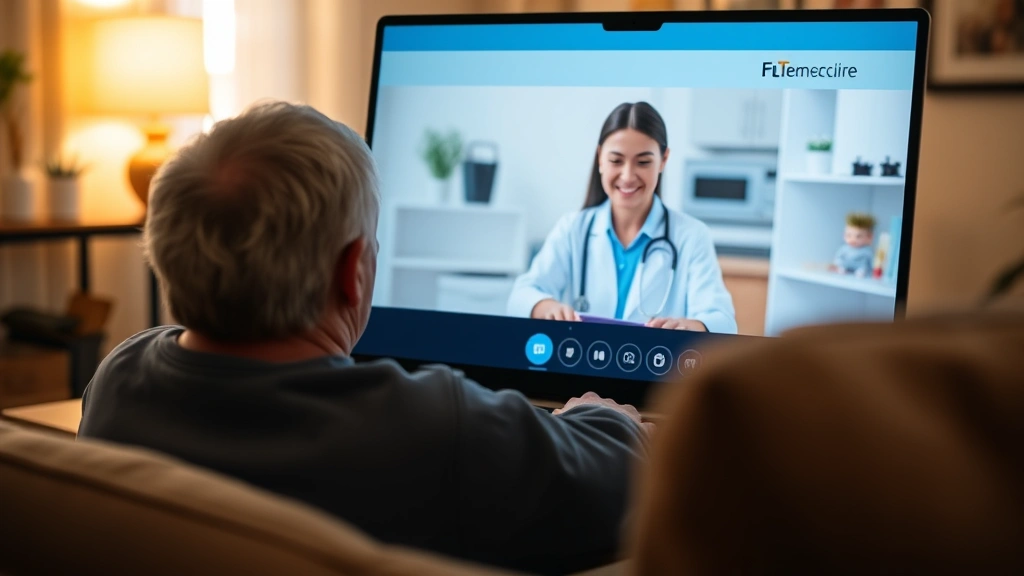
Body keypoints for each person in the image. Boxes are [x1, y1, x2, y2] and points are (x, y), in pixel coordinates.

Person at [77, 102, 650, 574]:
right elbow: (621, 483)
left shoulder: (118, 379)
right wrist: (607, 419)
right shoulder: (432, 426)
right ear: (352, 271)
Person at [506, 102, 737, 333]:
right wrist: (543, 305)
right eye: (616, 161)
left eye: (643, 162)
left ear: (663, 160)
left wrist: (695, 326)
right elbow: (521, 296)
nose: (627, 176)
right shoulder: (574, 228)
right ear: (600, 158)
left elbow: (723, 321)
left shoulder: (691, 236)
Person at [830, 212, 875, 277]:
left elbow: (872, 262)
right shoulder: (844, 248)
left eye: (858, 236)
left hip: (860, 266)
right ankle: (842, 269)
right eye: (848, 235)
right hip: (846, 265)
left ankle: (860, 272)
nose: (853, 239)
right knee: (841, 265)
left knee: (862, 270)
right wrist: (836, 264)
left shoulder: (867, 251)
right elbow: (838, 257)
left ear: (869, 237)